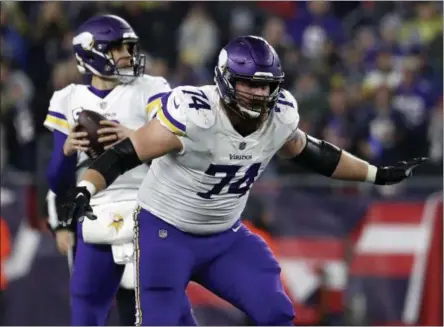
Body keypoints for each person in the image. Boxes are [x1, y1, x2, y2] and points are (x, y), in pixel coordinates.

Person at [63, 35, 427, 326]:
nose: (259, 94)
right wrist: (87, 186)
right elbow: (128, 151)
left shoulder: (279, 118)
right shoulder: (195, 115)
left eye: (266, 86)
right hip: (165, 232)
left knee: (276, 312)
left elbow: (316, 154)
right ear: (225, 80)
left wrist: (376, 174)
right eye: (248, 84)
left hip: (224, 236)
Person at [43, 14, 196, 326]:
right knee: (86, 306)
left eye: (129, 47)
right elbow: (58, 182)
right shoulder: (68, 98)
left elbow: (176, 153)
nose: (128, 55)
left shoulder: (151, 88)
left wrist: (136, 138)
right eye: (118, 48)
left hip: (149, 209)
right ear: (91, 52)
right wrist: (68, 151)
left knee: (161, 307)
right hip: (98, 212)